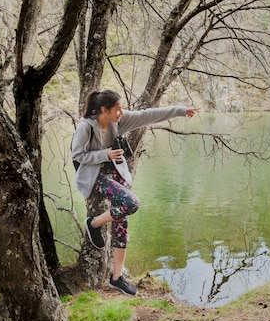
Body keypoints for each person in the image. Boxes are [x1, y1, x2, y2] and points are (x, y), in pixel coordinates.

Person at [71, 89, 200, 296]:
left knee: (122, 218)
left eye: (122, 108)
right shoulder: (86, 127)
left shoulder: (118, 120)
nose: (122, 112)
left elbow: (148, 115)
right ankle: (93, 223)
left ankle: (116, 277)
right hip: (95, 176)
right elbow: (77, 155)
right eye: (118, 109)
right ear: (104, 110)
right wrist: (105, 154)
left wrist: (181, 110)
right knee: (131, 203)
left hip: (115, 173)